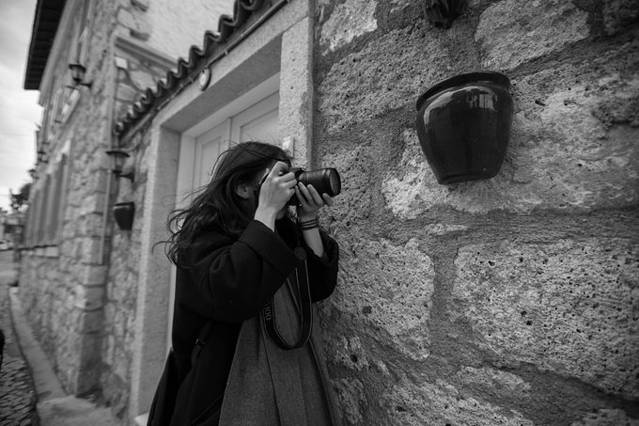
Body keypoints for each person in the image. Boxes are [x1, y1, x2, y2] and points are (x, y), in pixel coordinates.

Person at [162, 141, 340, 425]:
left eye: (288, 176)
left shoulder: (282, 231)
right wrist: (266, 211)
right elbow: (233, 293)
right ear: (243, 187)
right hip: (225, 388)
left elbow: (317, 287)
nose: (286, 186)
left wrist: (308, 220)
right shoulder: (203, 235)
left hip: (290, 374)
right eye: (276, 178)